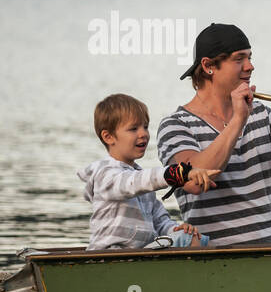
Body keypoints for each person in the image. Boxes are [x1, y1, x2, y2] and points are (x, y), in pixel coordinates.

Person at [157, 23, 271, 247]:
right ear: (208, 65)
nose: (250, 67)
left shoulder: (261, 113)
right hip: (217, 261)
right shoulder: (175, 125)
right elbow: (193, 181)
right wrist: (238, 120)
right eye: (239, 59)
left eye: (250, 58)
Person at [78, 93, 219, 250]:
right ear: (109, 137)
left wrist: (176, 229)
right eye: (133, 129)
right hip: (108, 255)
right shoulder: (105, 174)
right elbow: (131, 183)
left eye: (145, 126)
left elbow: (160, 221)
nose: (143, 134)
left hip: (138, 253)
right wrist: (176, 173)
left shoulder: (142, 182)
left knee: (191, 238)